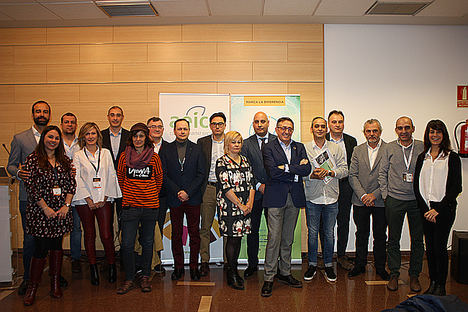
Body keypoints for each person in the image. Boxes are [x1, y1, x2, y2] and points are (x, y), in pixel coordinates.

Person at [22, 125, 76, 306]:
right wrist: (45, 208)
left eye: (56, 138)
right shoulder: (32, 160)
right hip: (40, 212)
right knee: (40, 248)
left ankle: (55, 283)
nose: (53, 141)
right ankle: (33, 287)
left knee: (56, 247)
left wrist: (66, 205)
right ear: (43, 138)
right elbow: (31, 187)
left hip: (61, 211)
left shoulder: (65, 160)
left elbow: (71, 185)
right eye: (50, 137)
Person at [261, 117, 311, 297]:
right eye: (283, 128)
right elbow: (272, 172)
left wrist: (286, 167)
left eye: (290, 128)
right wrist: (295, 168)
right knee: (274, 238)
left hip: (294, 197)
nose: (286, 131)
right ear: (276, 129)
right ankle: (268, 277)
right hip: (276, 198)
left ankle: (285, 272)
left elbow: (307, 170)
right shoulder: (268, 147)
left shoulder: (300, 147)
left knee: (288, 238)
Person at [7, 100, 52, 295]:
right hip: (29, 199)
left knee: (52, 239)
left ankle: (52, 275)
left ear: (49, 114)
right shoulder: (20, 138)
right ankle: (28, 279)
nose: (41, 114)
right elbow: (11, 165)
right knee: (30, 240)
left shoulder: (53, 137)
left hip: (52, 200)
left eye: (45, 111)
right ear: (32, 114)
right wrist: (18, 173)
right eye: (38, 111)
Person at [414, 120, 462, 296]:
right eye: (431, 132)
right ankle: (433, 281)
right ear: (427, 135)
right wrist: (425, 208)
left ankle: (441, 285)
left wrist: (438, 209)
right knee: (430, 248)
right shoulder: (422, 157)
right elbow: (417, 185)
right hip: (425, 208)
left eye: (438, 132)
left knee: (440, 247)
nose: (435, 135)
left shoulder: (452, 157)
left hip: (444, 208)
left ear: (444, 135)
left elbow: (456, 187)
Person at [379, 116, 425, 292]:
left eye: (407, 127)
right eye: (400, 128)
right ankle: (394, 274)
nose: (403, 131)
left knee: (418, 240)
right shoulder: (389, 147)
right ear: (396, 130)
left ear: (413, 128)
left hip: (417, 201)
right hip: (395, 200)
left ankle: (414, 275)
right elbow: (382, 173)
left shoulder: (422, 146)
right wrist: (385, 195)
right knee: (393, 239)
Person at [73, 122, 122, 285]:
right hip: (84, 200)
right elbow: (77, 178)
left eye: (93, 133)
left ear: (98, 136)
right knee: (89, 234)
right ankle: (93, 267)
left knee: (107, 235)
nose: (90, 137)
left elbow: (111, 175)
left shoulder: (106, 153)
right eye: (87, 134)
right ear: (83, 137)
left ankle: (111, 265)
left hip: (104, 199)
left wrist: (105, 197)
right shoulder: (78, 155)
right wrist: (88, 199)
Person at [116, 123, 163, 294]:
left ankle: (145, 276)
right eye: (135, 136)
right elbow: (121, 179)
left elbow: (158, 180)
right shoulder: (123, 157)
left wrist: (148, 195)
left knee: (148, 243)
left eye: (141, 136)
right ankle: (129, 278)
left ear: (146, 138)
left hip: (150, 207)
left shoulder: (154, 158)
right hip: (130, 207)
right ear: (131, 138)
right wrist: (132, 194)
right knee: (127, 244)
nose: (138, 139)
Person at [159, 119, 205, 281]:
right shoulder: (165, 149)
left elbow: (201, 174)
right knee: (176, 233)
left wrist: (188, 192)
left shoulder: (198, 149)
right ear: (174, 130)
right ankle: (178, 267)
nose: (182, 131)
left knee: (194, 234)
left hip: (193, 198)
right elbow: (163, 175)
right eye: (179, 129)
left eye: (185, 129)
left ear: (189, 130)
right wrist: (178, 191)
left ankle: (194, 267)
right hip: (174, 197)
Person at [303, 117, 348, 283]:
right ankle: (312, 264)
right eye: (317, 126)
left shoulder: (335, 148)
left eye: (323, 126)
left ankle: (329, 265)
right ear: (312, 128)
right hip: (313, 198)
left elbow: (345, 170)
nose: (320, 129)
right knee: (312, 234)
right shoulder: (305, 148)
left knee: (329, 234)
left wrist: (330, 173)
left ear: (326, 129)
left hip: (331, 197)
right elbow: (301, 171)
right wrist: (311, 175)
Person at [348, 119, 390, 280]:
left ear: (380, 131)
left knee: (380, 235)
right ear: (364, 132)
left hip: (380, 201)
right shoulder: (357, 150)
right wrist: (364, 195)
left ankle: (380, 267)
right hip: (360, 200)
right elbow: (352, 176)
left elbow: (389, 176)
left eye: (375, 131)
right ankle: (359, 265)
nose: (371, 134)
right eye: (368, 131)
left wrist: (375, 195)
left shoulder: (388, 149)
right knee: (361, 233)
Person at [216, 131, 255, 290]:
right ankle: (231, 273)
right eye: (234, 142)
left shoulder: (245, 160)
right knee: (232, 239)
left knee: (239, 238)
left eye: (239, 142)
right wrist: (241, 205)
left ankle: (235, 270)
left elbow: (252, 183)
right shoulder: (222, 162)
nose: (237, 145)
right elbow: (226, 188)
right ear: (227, 144)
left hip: (246, 206)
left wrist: (250, 204)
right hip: (230, 206)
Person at [241, 112, 276, 278]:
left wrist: (269, 185)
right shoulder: (246, 144)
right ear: (253, 124)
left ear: (268, 123)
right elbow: (246, 169)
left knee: (274, 232)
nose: (260, 124)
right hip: (254, 195)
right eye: (257, 122)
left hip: (275, 192)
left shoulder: (278, 141)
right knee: (252, 231)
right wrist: (258, 185)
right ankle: (252, 264)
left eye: (263, 121)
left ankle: (274, 265)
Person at [325, 110, 357, 270]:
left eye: (340, 122)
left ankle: (342, 255)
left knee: (343, 221)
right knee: (326, 223)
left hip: (345, 186)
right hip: (327, 185)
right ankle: (326, 257)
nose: (337, 125)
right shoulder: (322, 140)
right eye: (334, 122)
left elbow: (354, 165)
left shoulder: (352, 141)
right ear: (329, 124)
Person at [197, 112, 226, 276]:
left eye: (220, 123)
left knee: (228, 227)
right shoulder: (202, 142)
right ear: (210, 125)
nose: (217, 126)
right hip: (208, 188)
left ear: (224, 125)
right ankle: (205, 261)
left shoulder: (231, 141)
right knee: (205, 227)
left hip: (227, 189)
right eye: (214, 123)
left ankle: (229, 262)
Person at [101, 106, 130, 232]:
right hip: (105, 185)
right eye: (112, 115)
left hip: (124, 185)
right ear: (108, 117)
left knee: (124, 220)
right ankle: (111, 251)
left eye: (118, 115)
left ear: (122, 118)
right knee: (106, 222)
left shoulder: (130, 136)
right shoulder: (100, 136)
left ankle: (124, 249)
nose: (115, 118)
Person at [60, 112, 82, 273]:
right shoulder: (55, 141)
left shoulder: (80, 143)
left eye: (72, 122)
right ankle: (56, 258)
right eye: (66, 122)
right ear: (62, 124)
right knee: (57, 227)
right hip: (56, 191)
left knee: (76, 228)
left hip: (77, 190)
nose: (69, 125)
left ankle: (75, 259)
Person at [147, 116, 169, 273]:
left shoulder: (169, 148)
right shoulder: (140, 146)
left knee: (158, 228)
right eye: (153, 126)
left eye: (159, 126)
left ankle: (157, 261)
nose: (156, 129)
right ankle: (144, 261)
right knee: (145, 230)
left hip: (162, 195)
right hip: (143, 196)